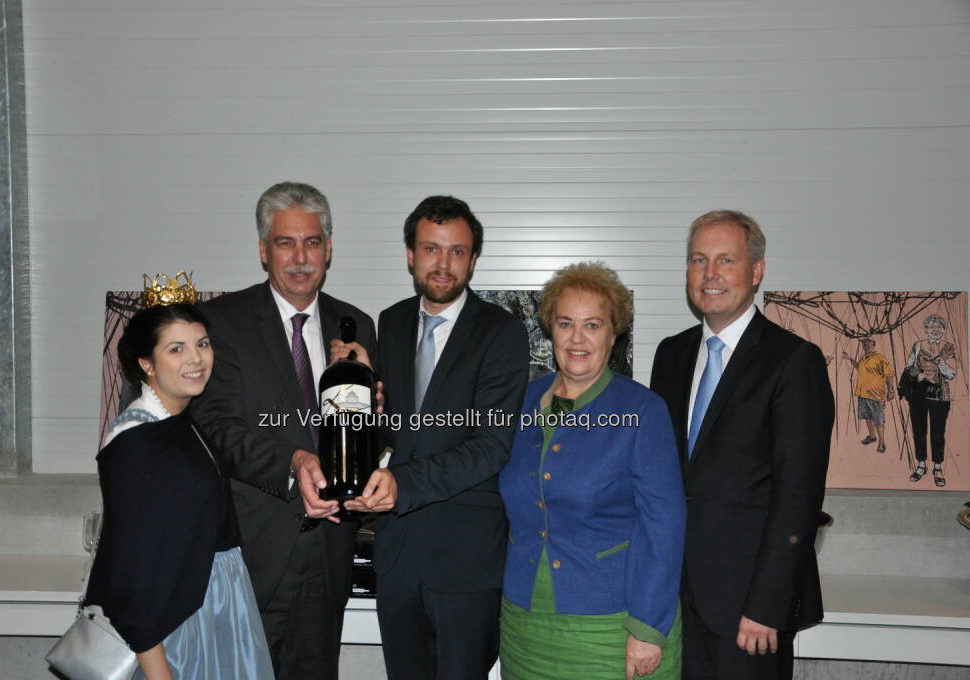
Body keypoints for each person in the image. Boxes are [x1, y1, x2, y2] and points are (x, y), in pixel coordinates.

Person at [191, 182, 376, 678]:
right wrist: (294, 464)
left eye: (312, 242)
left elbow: (366, 437)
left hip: (332, 550)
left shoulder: (355, 325)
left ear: (329, 249)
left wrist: (377, 407)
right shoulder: (222, 321)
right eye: (285, 243)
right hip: (252, 551)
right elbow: (216, 427)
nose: (300, 257)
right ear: (262, 250)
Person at [344, 195, 529, 680]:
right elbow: (397, 434)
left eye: (457, 251)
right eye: (430, 249)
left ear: (473, 258)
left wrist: (402, 483)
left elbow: (492, 444)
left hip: (465, 559)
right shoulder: (392, 321)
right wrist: (363, 389)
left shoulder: (502, 331)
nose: (443, 264)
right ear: (410, 254)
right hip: (397, 553)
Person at [650, 210, 834, 680]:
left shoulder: (794, 361)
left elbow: (799, 496)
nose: (709, 275)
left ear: (756, 271)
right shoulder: (670, 355)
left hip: (749, 612)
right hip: (674, 600)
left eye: (725, 260)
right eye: (698, 260)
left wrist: (767, 606)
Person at [498, 262, 686, 680]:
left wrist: (648, 627)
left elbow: (664, 524)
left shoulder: (641, 410)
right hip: (525, 623)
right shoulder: (522, 402)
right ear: (551, 330)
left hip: (612, 623)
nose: (577, 338)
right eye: (566, 324)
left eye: (592, 325)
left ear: (612, 334)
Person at [85, 287, 275, 680]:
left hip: (217, 608)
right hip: (175, 629)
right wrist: (159, 673)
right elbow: (131, 569)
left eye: (202, 344)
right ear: (146, 363)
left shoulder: (183, 422)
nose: (196, 359)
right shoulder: (136, 441)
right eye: (176, 349)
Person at [903, 314, 956, 486]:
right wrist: (919, 375)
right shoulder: (918, 345)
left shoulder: (948, 347)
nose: (935, 330)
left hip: (940, 396)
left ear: (943, 330)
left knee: (938, 433)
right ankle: (921, 465)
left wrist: (940, 361)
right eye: (931, 327)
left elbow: (952, 374)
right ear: (926, 329)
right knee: (919, 431)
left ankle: (938, 467)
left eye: (939, 327)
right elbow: (908, 368)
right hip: (919, 396)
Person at [841, 337, 894, 453]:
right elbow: (859, 368)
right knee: (867, 417)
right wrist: (850, 358)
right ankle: (872, 436)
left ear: (874, 345)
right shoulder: (863, 357)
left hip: (876, 395)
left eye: (868, 344)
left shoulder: (880, 358)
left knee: (878, 419)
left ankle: (882, 442)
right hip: (863, 393)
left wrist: (890, 391)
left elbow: (889, 374)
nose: (865, 346)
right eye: (864, 344)